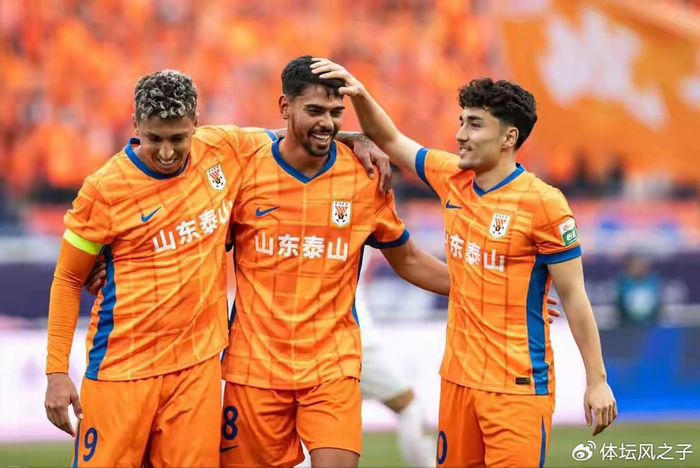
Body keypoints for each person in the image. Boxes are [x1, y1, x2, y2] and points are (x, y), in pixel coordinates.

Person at [44, 69, 387, 468]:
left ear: (196, 123)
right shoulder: (105, 189)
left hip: (198, 369)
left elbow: (292, 134)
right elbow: (68, 277)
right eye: (155, 139)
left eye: (178, 139)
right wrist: (56, 372)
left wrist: (354, 138)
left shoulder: (223, 146)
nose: (167, 152)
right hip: (123, 367)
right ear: (135, 125)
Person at [311, 59, 617, 468]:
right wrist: (360, 94)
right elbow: (390, 138)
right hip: (456, 381)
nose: (460, 135)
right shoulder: (451, 176)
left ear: (509, 137)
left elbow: (575, 297)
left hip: (516, 387)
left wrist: (597, 381)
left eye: (474, 124)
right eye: (461, 122)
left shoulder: (544, 203)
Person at [219, 55, 452, 468]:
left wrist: (488, 289)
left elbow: (409, 260)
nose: (326, 123)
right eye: (314, 110)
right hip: (253, 367)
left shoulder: (365, 176)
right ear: (285, 107)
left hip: (332, 365)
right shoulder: (244, 171)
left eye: (335, 113)